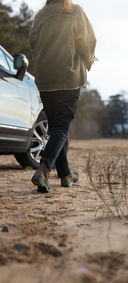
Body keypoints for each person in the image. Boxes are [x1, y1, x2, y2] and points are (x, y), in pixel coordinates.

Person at [29, 0, 97, 193]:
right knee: (61, 127)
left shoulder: (40, 15)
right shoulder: (74, 11)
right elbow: (86, 42)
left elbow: (33, 44)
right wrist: (89, 61)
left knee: (55, 129)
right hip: (68, 76)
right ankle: (43, 170)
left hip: (45, 79)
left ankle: (65, 175)